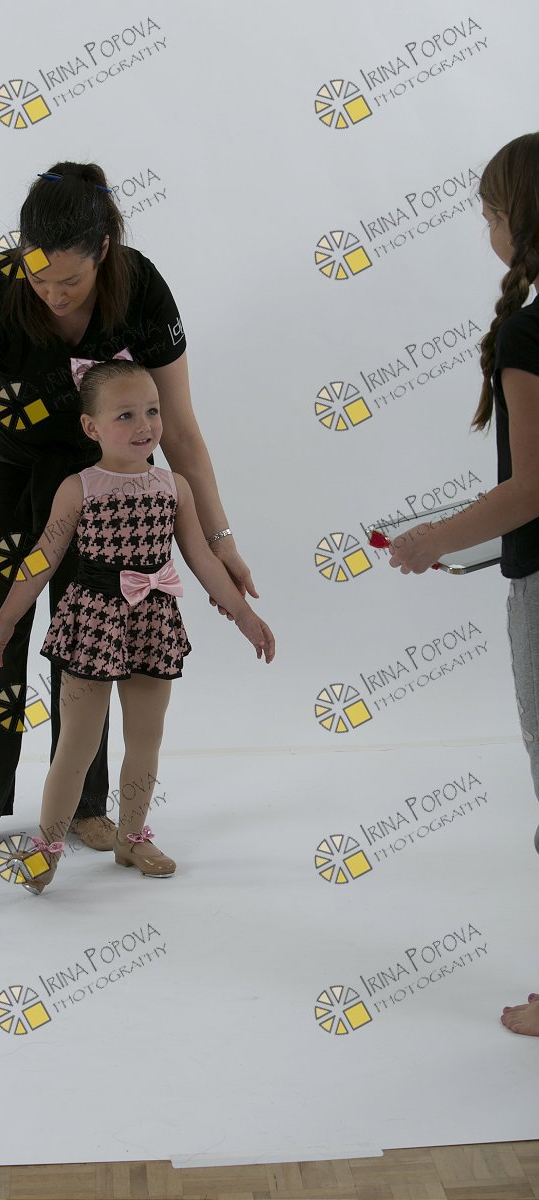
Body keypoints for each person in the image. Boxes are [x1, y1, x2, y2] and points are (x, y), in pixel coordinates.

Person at [0, 161, 261, 867]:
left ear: (104, 252)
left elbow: (182, 432)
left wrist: (220, 538)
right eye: (39, 279)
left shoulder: (141, 289)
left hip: (103, 470)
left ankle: (86, 805)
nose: (53, 295)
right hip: (4, 465)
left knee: (97, 626)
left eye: (71, 282)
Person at [0, 359, 275, 893]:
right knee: (77, 744)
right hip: (93, 619)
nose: (145, 426)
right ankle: (46, 849)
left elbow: (201, 559)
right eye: (125, 415)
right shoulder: (79, 487)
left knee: (145, 739)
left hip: (153, 618)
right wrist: (3, 622)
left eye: (153, 411)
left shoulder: (173, 487)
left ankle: (132, 837)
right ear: (90, 427)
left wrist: (244, 615)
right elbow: (42, 558)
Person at [385, 132, 539, 1036]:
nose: (487, 228)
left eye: (489, 213)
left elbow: (532, 488)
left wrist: (431, 540)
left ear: (518, 220)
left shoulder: (528, 333)